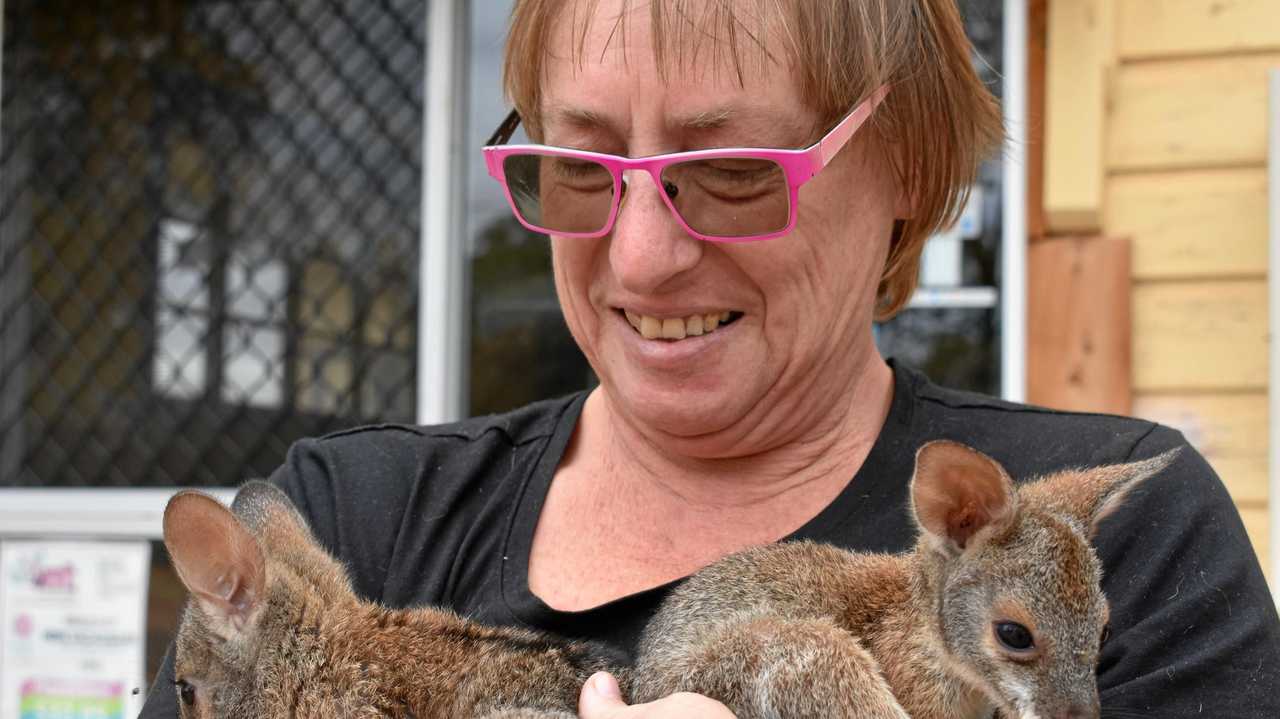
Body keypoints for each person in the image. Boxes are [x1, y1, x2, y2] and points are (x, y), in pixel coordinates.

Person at [141, 1, 1280, 717]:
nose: (638, 259)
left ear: (908, 170)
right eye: (579, 169)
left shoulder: (1093, 539)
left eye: (734, 169)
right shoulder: (346, 525)